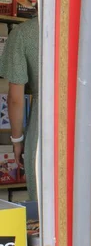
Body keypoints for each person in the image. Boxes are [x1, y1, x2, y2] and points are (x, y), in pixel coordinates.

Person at [0, 17, 39, 202]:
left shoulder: (23, 33)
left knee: (44, 203)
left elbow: (16, 99)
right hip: (90, 122)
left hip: (44, 126)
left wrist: (17, 140)